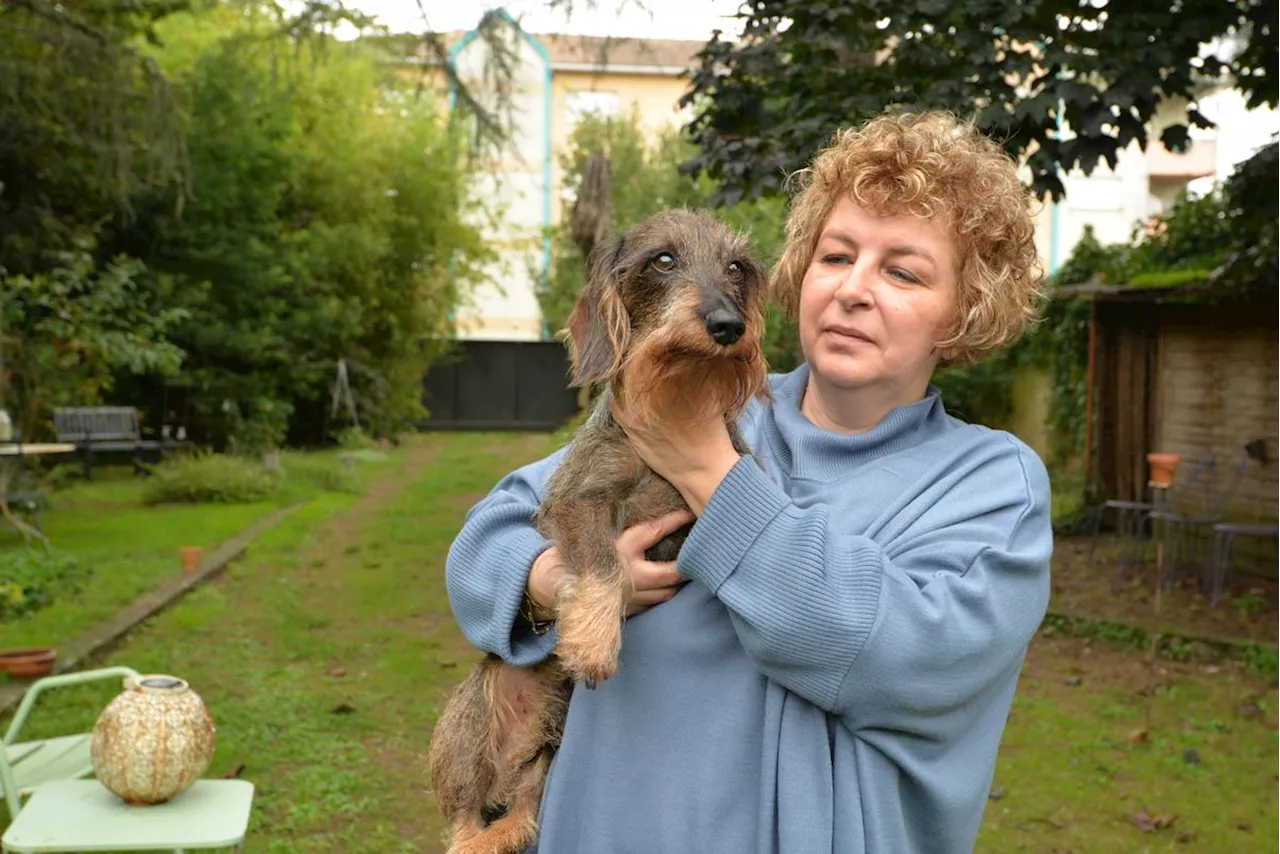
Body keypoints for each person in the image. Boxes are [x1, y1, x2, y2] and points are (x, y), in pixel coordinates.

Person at [444, 109, 1053, 854]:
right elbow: (488, 542)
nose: (854, 289)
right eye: (836, 257)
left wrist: (709, 471)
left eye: (902, 270)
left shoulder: (989, 485)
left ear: (965, 309)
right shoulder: (691, 397)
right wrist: (554, 580)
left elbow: (894, 663)